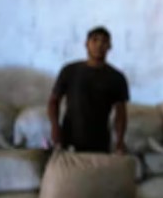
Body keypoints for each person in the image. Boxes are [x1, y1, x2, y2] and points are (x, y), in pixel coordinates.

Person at [48, 26, 129, 154]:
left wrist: (119, 140)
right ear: (86, 44)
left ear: (109, 46)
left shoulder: (117, 78)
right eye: (95, 40)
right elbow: (54, 101)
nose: (99, 45)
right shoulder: (69, 71)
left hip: (100, 142)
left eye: (104, 41)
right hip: (69, 138)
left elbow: (121, 114)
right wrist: (55, 127)